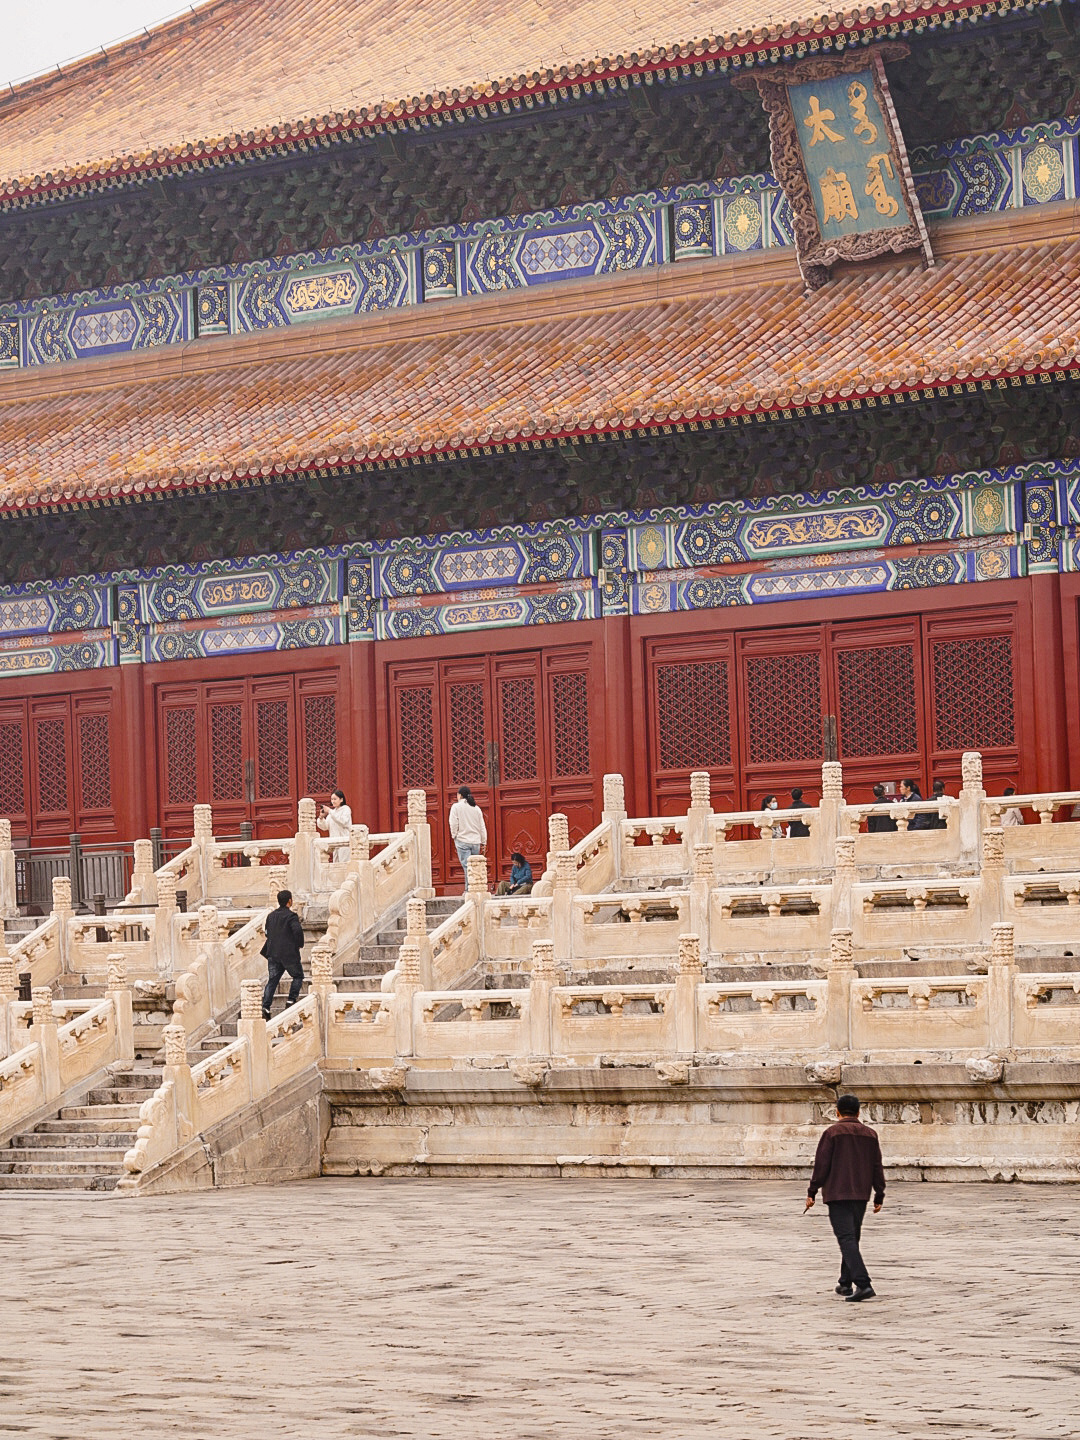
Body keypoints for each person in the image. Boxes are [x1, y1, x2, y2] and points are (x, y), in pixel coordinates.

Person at [805, 1094, 886, 1302]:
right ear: (859, 1112)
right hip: (861, 1194)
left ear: (837, 1112)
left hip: (837, 1193)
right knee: (852, 1237)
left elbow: (821, 1165)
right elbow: (877, 1165)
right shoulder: (870, 1134)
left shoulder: (832, 1133)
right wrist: (879, 1193)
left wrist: (812, 1191)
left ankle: (863, 1283)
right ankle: (845, 1283)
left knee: (847, 1238)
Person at [260, 889, 306, 1020]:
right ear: (289, 901)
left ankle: (266, 1007)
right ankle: (291, 1001)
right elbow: (297, 931)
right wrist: (298, 944)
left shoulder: (271, 916)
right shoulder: (291, 916)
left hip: (273, 953)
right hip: (289, 954)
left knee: (272, 981)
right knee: (298, 976)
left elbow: (267, 933)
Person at [449, 785, 487, 878]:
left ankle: (468, 890)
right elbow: (482, 826)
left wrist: (454, 835)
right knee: (474, 867)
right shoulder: (476, 808)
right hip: (475, 842)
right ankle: (474, 889)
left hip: (462, 840)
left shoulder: (456, 807)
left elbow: (453, 823)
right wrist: (484, 842)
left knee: (467, 867)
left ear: (460, 795)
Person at [317, 788, 353, 860]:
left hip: (344, 843)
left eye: (335, 799)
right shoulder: (332, 813)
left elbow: (343, 821)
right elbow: (325, 827)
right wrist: (321, 818)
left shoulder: (346, 809)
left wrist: (330, 811)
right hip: (334, 843)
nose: (333, 801)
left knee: (344, 865)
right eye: (332, 799)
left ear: (341, 799)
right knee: (336, 866)